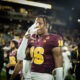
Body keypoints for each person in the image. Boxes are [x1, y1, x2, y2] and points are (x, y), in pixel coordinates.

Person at [11, 15, 63, 80]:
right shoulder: (30, 38)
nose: (37, 26)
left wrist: (59, 78)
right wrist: (25, 39)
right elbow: (21, 59)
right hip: (29, 75)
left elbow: (58, 62)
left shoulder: (54, 38)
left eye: (40, 23)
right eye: (36, 23)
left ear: (47, 25)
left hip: (44, 76)